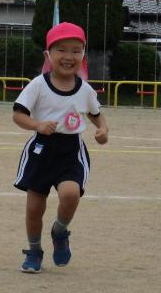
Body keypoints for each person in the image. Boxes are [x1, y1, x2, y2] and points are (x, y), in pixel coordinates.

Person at [12, 22, 108, 273]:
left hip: (71, 151)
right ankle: (34, 250)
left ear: (83, 56)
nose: (68, 56)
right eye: (61, 50)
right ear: (48, 55)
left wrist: (102, 129)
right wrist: (37, 124)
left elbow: (96, 113)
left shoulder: (85, 90)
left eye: (76, 51)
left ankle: (60, 231)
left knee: (70, 194)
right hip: (41, 150)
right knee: (34, 209)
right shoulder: (38, 85)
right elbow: (18, 115)